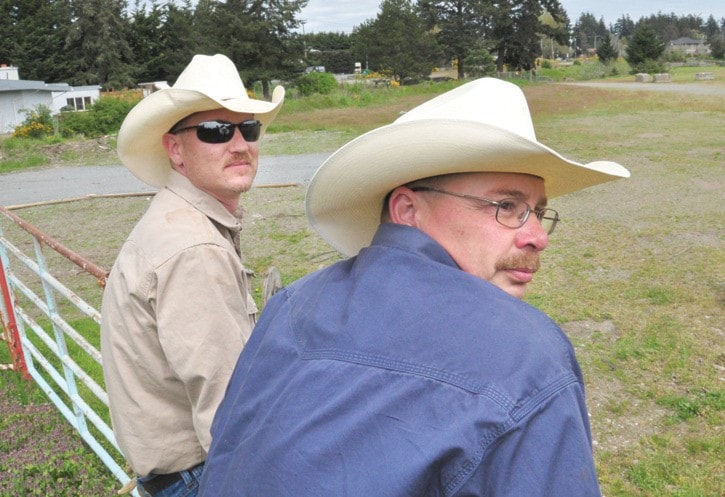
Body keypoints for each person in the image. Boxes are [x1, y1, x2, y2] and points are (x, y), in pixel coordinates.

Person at [199, 78, 630, 496]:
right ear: (407, 209)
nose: (538, 236)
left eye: (537, 211)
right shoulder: (527, 357)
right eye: (507, 206)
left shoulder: (292, 304)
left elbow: (227, 453)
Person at [100, 54, 284, 497]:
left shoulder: (178, 221)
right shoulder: (194, 249)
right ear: (175, 149)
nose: (239, 143)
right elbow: (229, 415)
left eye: (249, 128)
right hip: (200, 478)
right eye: (216, 131)